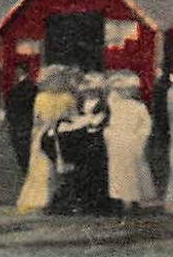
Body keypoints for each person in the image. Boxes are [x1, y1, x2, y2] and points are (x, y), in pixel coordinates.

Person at [50, 72, 112, 215]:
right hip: (83, 134)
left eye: (92, 91)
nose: (89, 93)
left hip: (96, 137)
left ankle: (95, 202)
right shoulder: (81, 102)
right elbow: (77, 116)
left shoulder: (103, 104)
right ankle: (80, 199)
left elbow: (103, 119)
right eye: (87, 91)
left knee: (94, 170)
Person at [17, 66, 75, 214]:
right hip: (44, 133)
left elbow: (73, 116)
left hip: (62, 132)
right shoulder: (41, 98)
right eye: (53, 80)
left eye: (60, 80)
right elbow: (37, 118)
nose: (57, 83)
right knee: (42, 167)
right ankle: (39, 199)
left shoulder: (67, 97)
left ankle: (59, 199)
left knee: (59, 167)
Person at [103, 72, 156, 213]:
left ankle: (133, 199)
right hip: (117, 142)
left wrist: (141, 138)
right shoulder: (115, 105)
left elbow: (146, 125)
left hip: (132, 142)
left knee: (133, 171)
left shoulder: (138, 107)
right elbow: (111, 122)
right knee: (118, 171)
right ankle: (120, 199)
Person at [4, 67, 38, 175]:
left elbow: (9, 108)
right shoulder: (34, 89)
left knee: (20, 149)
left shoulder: (13, 91)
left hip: (17, 124)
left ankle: (25, 168)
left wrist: (8, 121)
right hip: (29, 122)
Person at [150, 69, 170, 198]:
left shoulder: (160, 86)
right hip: (163, 124)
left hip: (162, 124)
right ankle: (162, 186)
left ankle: (163, 186)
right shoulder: (161, 86)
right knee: (162, 155)